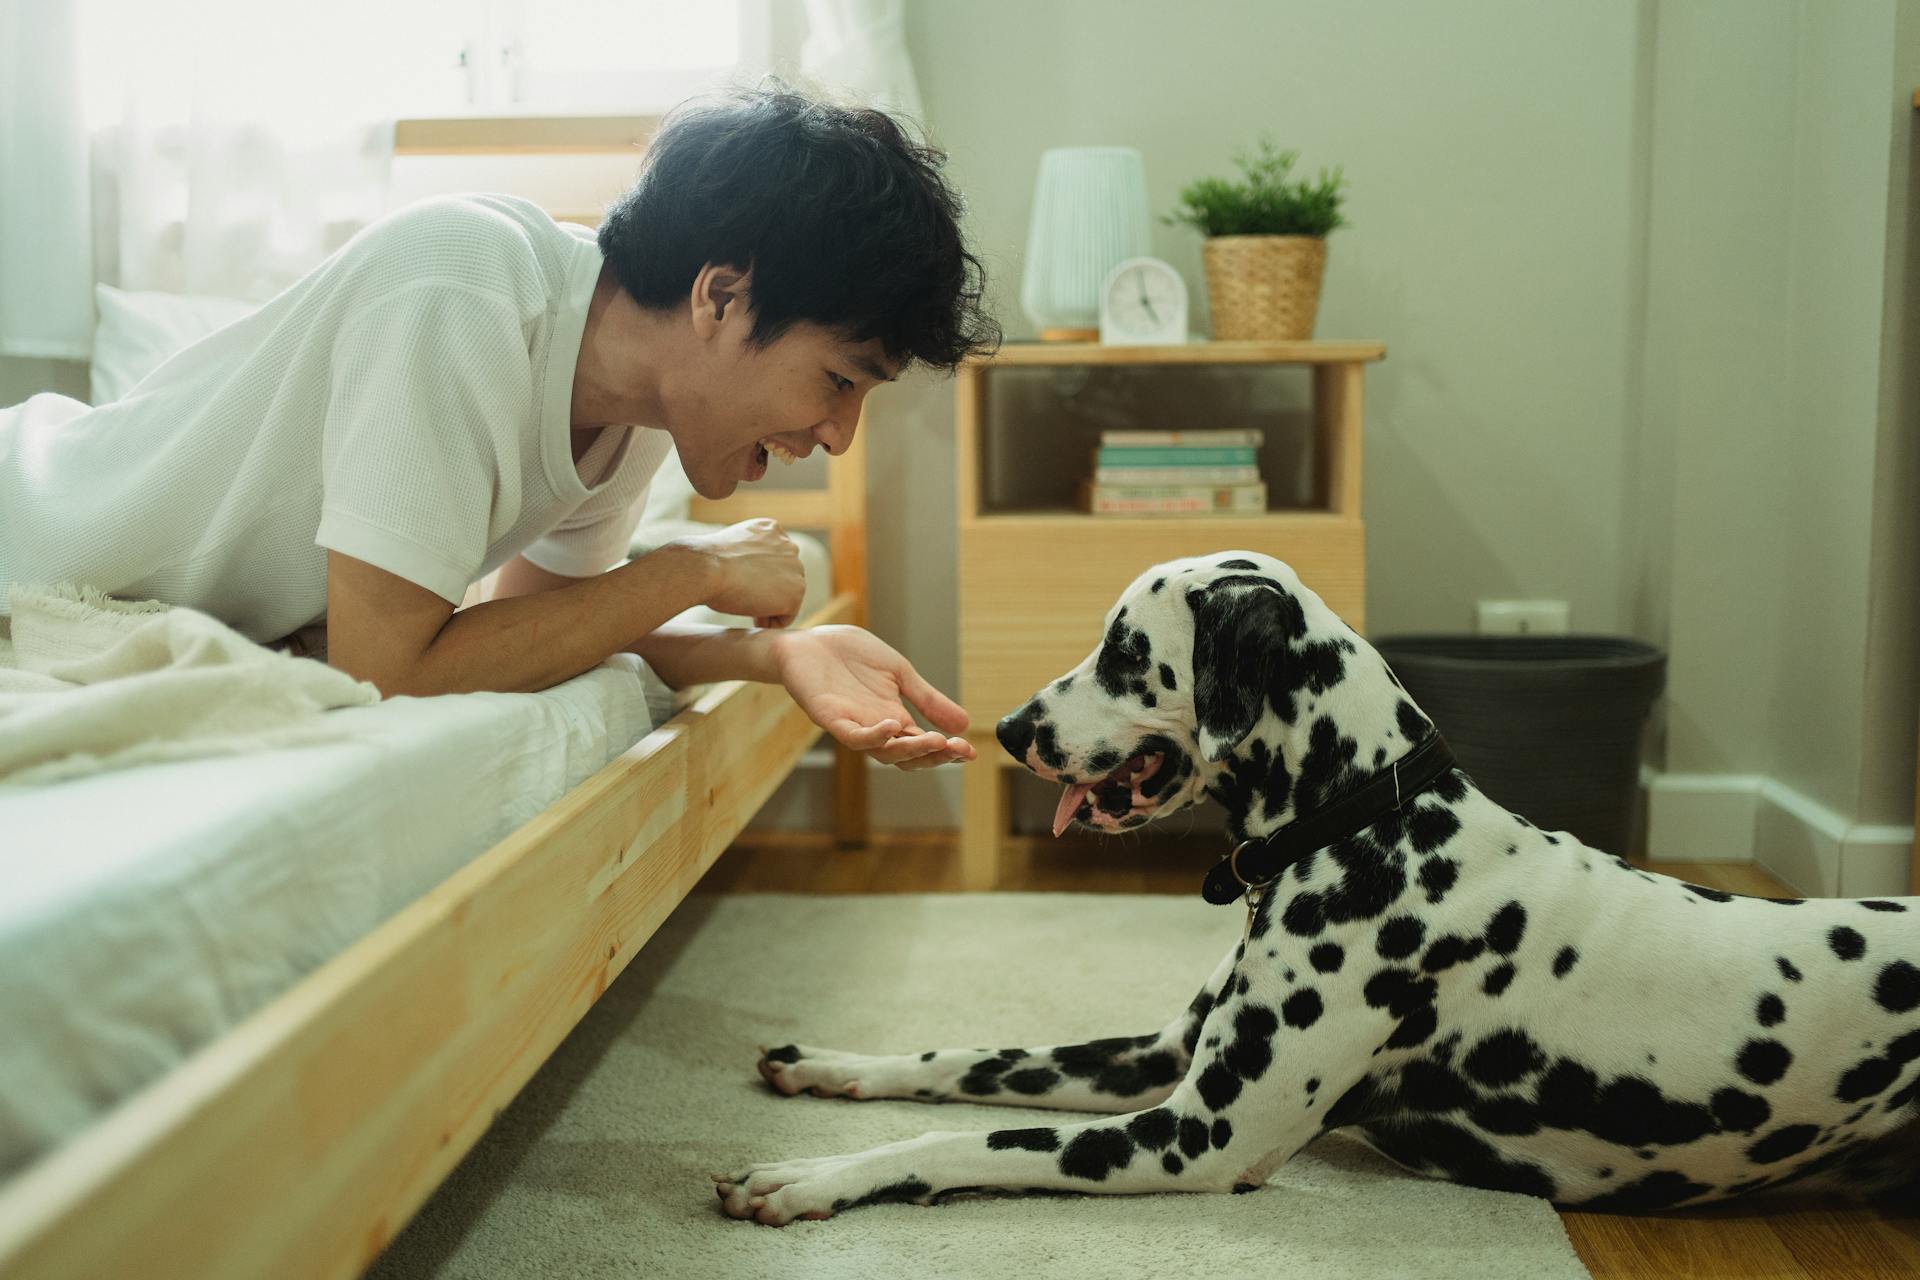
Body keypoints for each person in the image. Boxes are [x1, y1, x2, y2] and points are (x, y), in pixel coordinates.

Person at [0, 86, 1001, 771]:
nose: (836, 436)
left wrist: (771, 654)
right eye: (838, 380)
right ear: (721, 298)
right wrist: (691, 568)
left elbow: (527, 638)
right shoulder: (458, 281)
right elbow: (388, 676)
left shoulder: (636, 415)